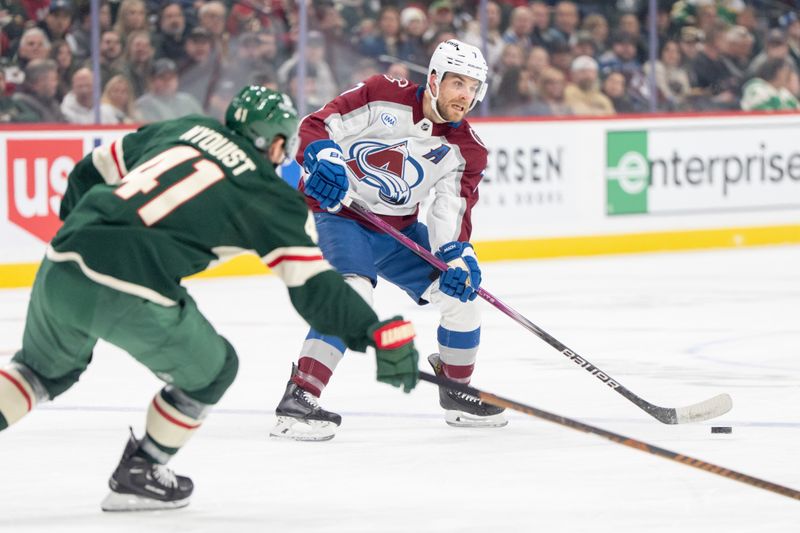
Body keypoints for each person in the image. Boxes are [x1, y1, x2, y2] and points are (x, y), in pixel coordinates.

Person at [0, 86, 419, 511]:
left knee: (39, 372)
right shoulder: (265, 193)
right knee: (215, 369)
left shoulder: (186, 127)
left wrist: (81, 232)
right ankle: (142, 471)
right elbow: (313, 287)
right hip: (131, 283)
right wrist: (372, 330)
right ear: (276, 144)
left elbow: (89, 170)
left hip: (62, 259)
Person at [269, 39, 506, 442]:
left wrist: (455, 257)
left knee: (464, 299)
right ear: (434, 79)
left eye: (473, 88)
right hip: (343, 217)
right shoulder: (383, 94)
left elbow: (450, 210)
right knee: (354, 296)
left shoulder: (467, 150)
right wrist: (325, 157)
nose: (465, 96)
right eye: (457, 84)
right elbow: (317, 125)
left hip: (398, 230)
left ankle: (456, 392)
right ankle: (299, 398)